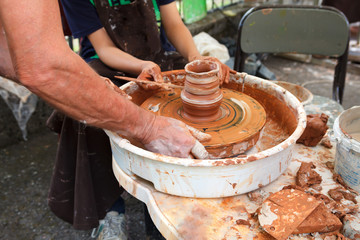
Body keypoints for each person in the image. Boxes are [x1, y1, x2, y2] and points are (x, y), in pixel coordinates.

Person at [0, 0, 229, 239]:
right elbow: (94, 51)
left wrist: (195, 58)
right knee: (87, 117)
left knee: (195, 92)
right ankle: (109, 212)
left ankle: (187, 191)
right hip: (107, 63)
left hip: (156, 59)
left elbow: (173, 23)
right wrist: (139, 74)